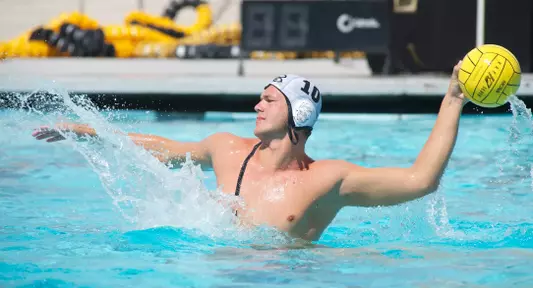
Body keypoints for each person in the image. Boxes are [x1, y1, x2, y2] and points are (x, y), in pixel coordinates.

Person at [32, 61, 468, 241]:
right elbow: (164, 150)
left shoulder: (325, 180)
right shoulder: (227, 150)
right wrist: (86, 130)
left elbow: (420, 181)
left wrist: (452, 100)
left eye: (269, 99)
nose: (257, 105)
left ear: (298, 113)